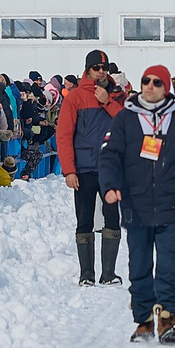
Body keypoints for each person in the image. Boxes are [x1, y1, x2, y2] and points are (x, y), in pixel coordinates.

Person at [97, 65, 175, 342]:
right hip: (136, 203)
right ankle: (143, 320)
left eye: (156, 82)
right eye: (146, 81)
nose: (150, 86)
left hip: (171, 205)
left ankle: (167, 320)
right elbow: (109, 156)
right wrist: (109, 186)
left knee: (168, 265)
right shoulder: (125, 118)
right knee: (139, 265)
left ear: (165, 87)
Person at [56, 49, 122, 286]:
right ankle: (86, 274)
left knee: (112, 218)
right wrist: (69, 170)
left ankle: (108, 273)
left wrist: (108, 103)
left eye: (105, 68)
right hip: (83, 169)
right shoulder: (74, 98)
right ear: (88, 70)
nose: (101, 72)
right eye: (97, 68)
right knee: (84, 219)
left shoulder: (118, 96)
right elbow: (64, 135)